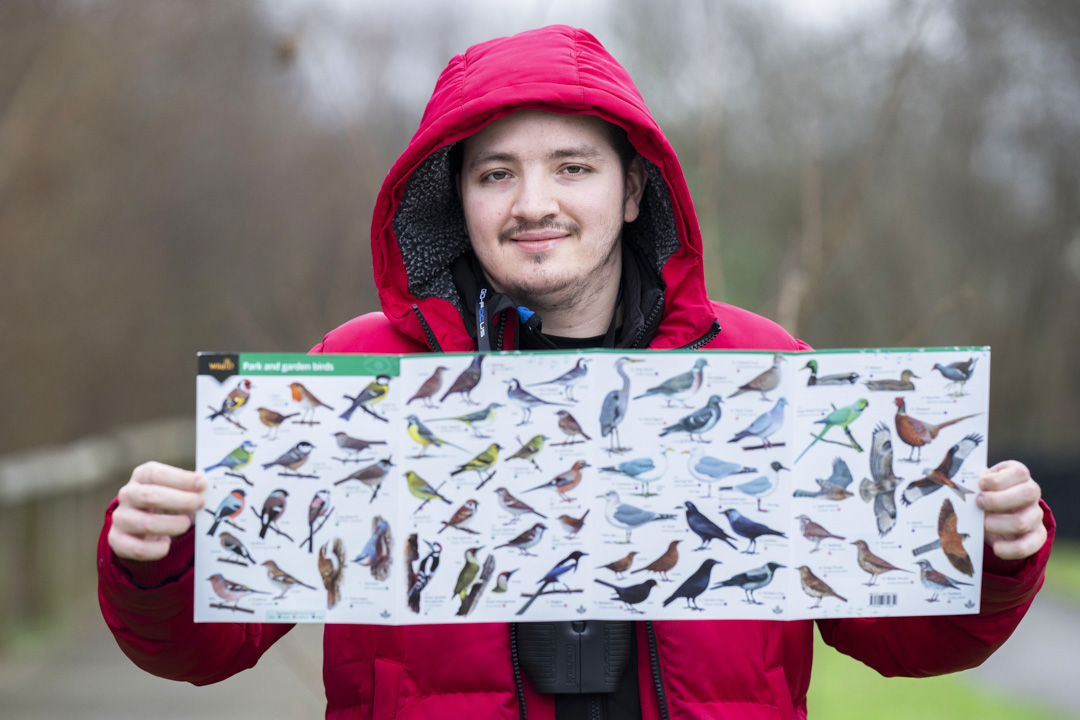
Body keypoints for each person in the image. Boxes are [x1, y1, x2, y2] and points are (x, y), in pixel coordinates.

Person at [99, 25, 1053, 720]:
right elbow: (210, 647)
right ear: (457, 200)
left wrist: (994, 554)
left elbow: (902, 639)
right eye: (497, 173)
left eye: (573, 167)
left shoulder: (762, 368)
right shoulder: (355, 378)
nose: (535, 203)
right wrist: (156, 560)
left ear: (635, 189)